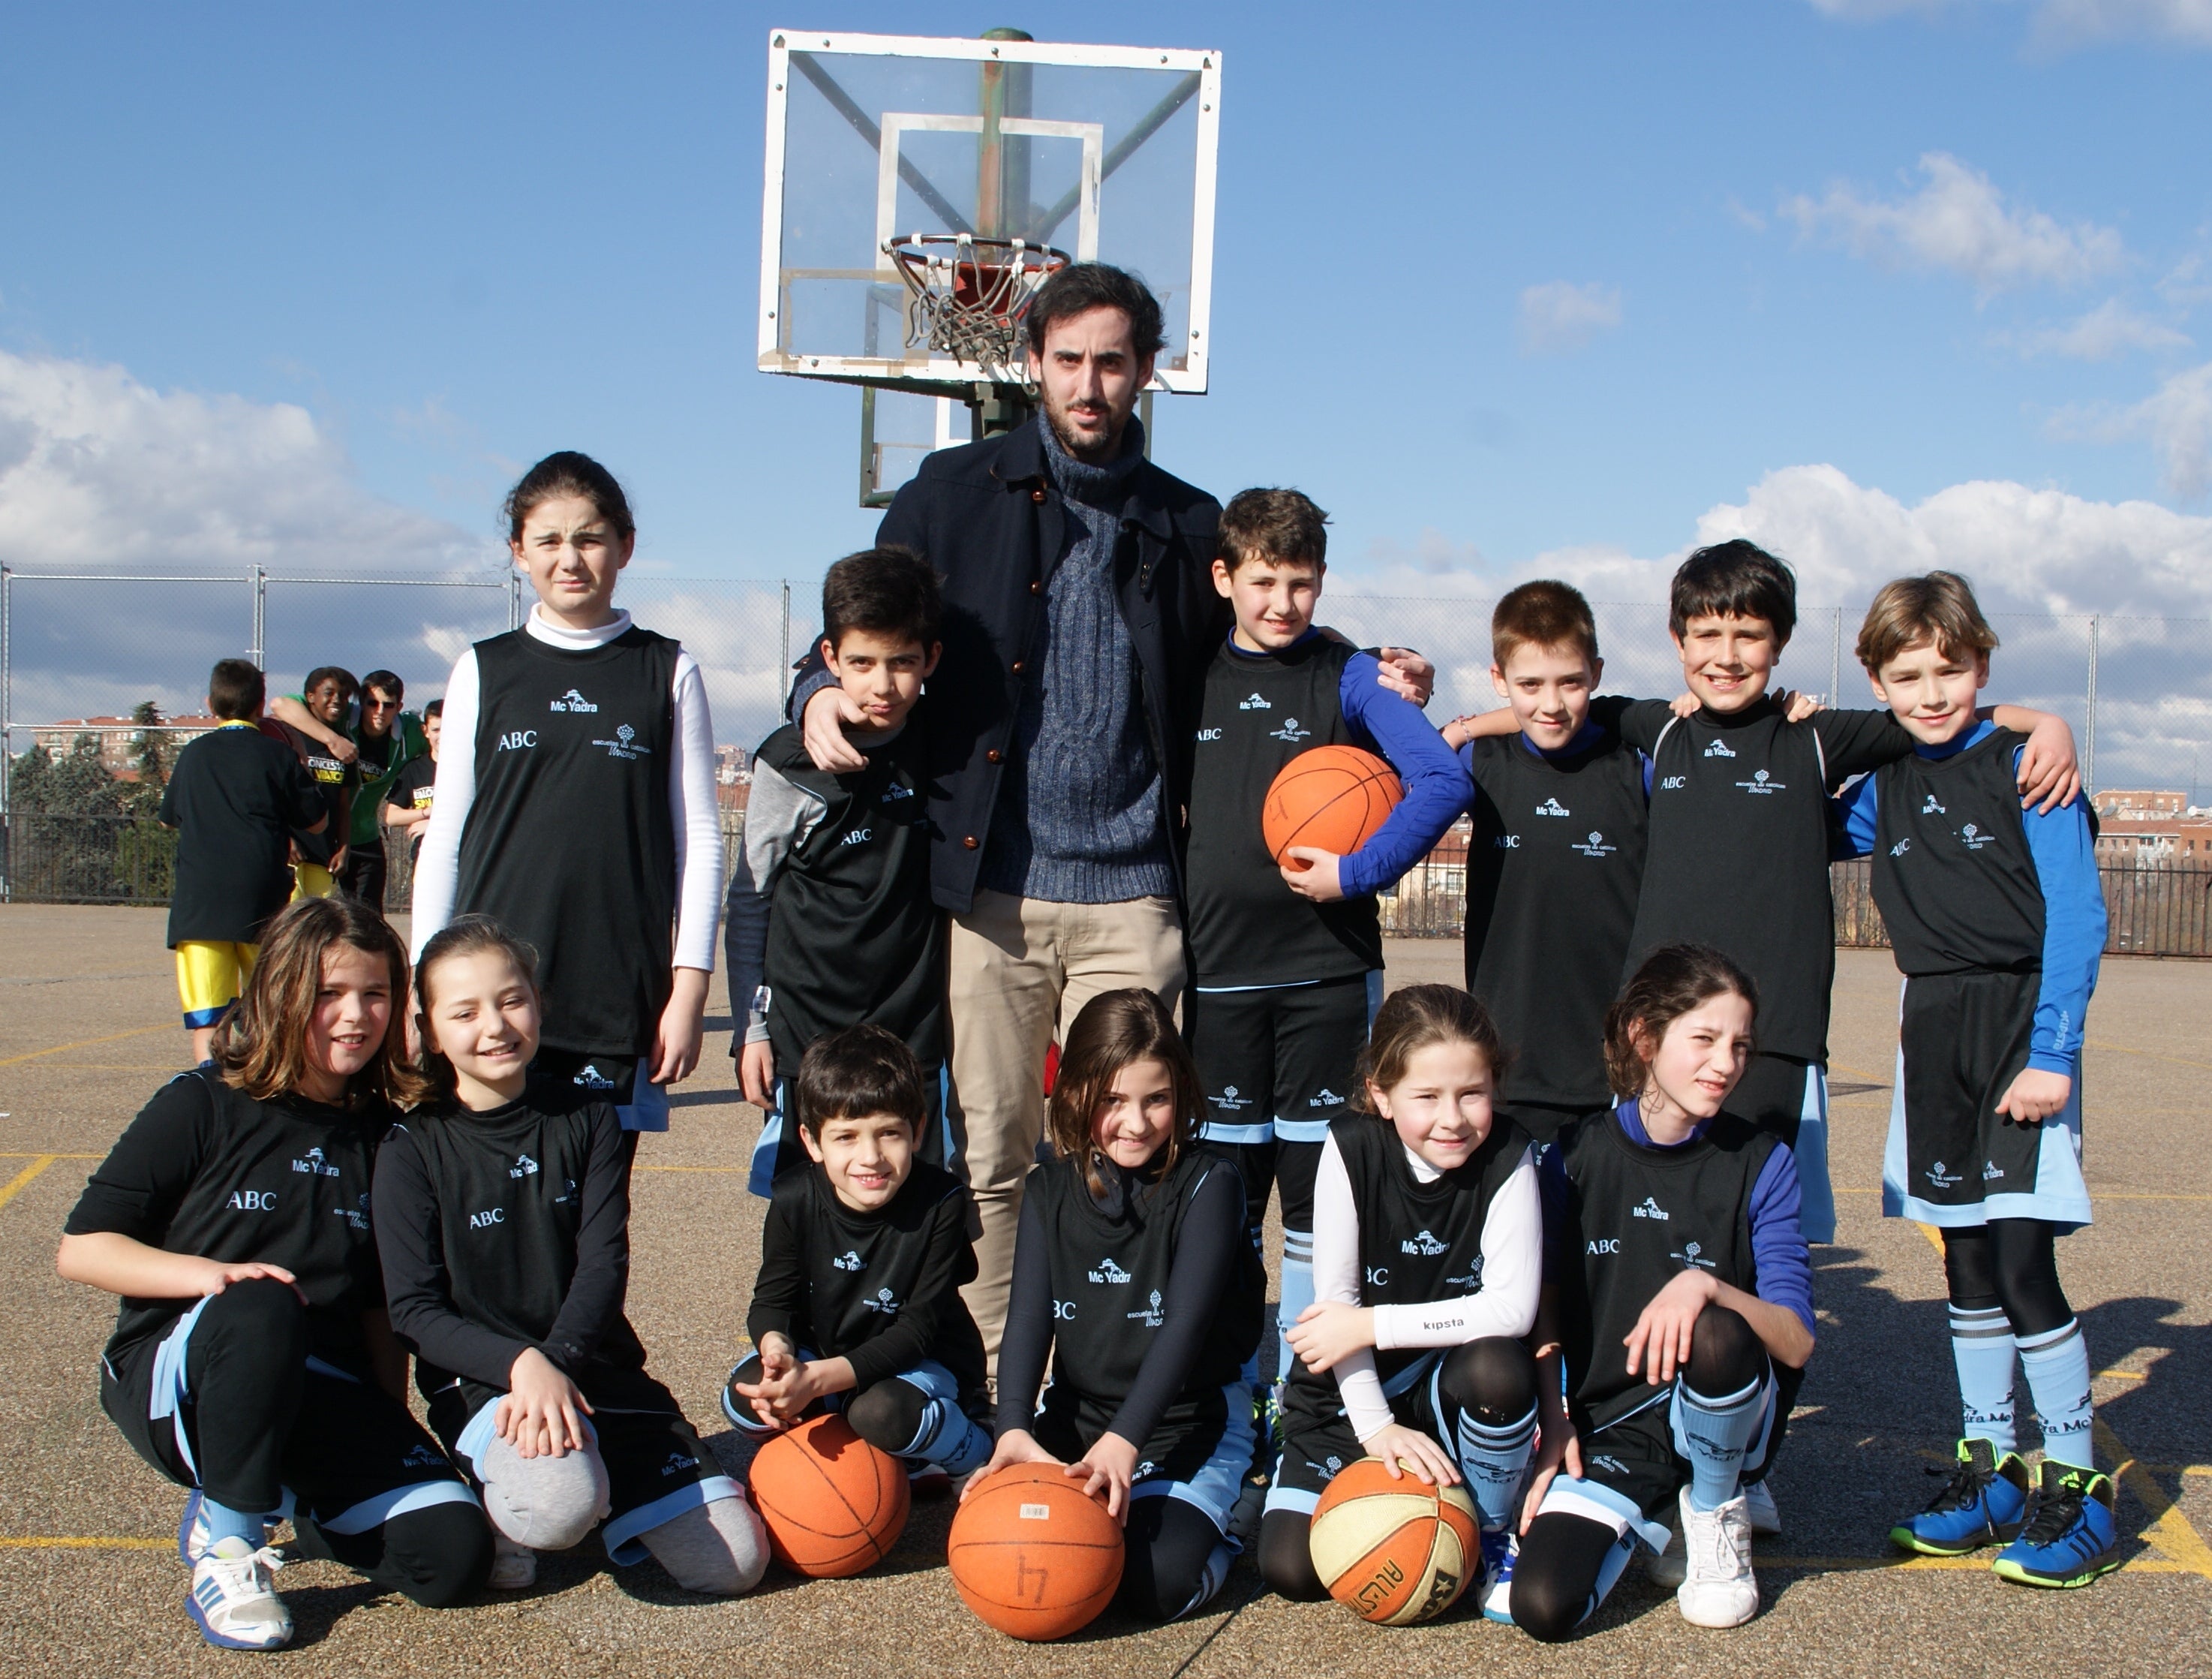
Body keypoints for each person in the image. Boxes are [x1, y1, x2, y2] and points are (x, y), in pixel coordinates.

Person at [789, 263, 1429, 1369]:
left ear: (1147, 371)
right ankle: (997, 1378)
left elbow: (1261, 642)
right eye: (1069, 360)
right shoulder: (949, 493)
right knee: (991, 1152)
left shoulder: (1186, 521)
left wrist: (1366, 665)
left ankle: (1103, 1370)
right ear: (1032, 362)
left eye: (1114, 362)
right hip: (993, 892)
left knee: (1121, 1148)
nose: (1090, 384)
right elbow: (862, 619)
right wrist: (813, 689)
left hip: (1134, 894)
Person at [1456, 542, 2078, 1255]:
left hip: (1774, 1036)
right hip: (1661, 1031)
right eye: (1707, 635)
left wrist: (2045, 723)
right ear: (1678, 641)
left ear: (1780, 644)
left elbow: (1931, 709)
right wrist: (1465, 727)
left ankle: (1767, 1331)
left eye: (1749, 635)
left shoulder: (1812, 736)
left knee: (1761, 1228)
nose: (1726, 656)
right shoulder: (1661, 726)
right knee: (1652, 1221)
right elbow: (1553, 709)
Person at [56, 897, 488, 1652]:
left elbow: (379, 1304)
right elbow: (83, 1248)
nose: (355, 1014)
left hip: (319, 1383)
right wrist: (213, 1275)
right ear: (282, 992)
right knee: (261, 1301)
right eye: (329, 992)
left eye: (375, 992)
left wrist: (385, 1420)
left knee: (452, 1557)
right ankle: (229, 1539)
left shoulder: (388, 1134)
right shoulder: (204, 1102)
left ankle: (294, 1497)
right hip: (187, 1376)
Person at [1833, 573, 2115, 1587]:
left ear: (1981, 666)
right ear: (1877, 682)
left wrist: (2053, 1054)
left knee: (2023, 1263)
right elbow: (1788, 821)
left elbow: (2077, 916)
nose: (1931, 692)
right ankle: (1991, 1467)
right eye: (1907, 675)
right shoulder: (1883, 784)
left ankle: (2078, 1487)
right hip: (1933, 1029)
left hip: (2017, 1029)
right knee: (1962, 1263)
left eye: (1948, 670)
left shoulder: (2027, 768)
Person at [374, 916, 768, 1595]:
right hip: (490, 1382)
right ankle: (498, 1491)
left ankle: (608, 1486)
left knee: (735, 1563)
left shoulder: (587, 1117)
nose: (495, 1026)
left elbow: (603, 1265)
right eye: (464, 1012)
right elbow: (413, 1311)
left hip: (592, 1365)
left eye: (511, 1000)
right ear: (429, 1031)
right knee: (557, 1506)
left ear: (538, 1001)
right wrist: (522, 1365)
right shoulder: (410, 1147)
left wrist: (556, 1360)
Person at [1183, 487, 1468, 1413]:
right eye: (1262, 581)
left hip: (1325, 976)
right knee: (1222, 1207)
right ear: (1223, 577)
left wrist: (1358, 870)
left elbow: (1440, 778)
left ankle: (1299, 1400)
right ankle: (1230, 1391)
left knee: (1316, 1206)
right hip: (1215, 978)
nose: (1281, 602)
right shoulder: (1186, 669)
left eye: (1300, 582)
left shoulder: (1348, 676)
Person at [410, 452, 723, 1139]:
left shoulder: (667, 670)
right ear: (519, 551)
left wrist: (689, 989)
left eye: (589, 538)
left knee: (595, 1199)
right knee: (482, 1191)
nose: (570, 558)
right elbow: (446, 837)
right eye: (549, 540)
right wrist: (422, 982)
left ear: (625, 546)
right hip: (488, 999)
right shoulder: (482, 669)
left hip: (614, 999)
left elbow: (699, 842)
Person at [1512, 945, 1814, 1638]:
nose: (1726, 1062)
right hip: (1613, 1424)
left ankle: (1716, 1509)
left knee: (1718, 1328)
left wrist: (1708, 1285)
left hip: (1725, 1401)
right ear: (1644, 1037)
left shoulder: (1763, 1162)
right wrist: (1556, 1417)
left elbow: (1797, 1340)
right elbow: (1542, 1304)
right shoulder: (1572, 1156)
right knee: (1544, 1607)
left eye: (1739, 1045)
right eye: (1704, 1038)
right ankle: (1656, 1508)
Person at [972, 988, 1265, 1622]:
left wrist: (1125, 1439)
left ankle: (1238, 1511)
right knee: (1017, 1562)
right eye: (1112, 1099)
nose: (1136, 1122)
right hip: (1079, 1417)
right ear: (1075, 1092)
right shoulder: (1048, 1187)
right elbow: (1029, 1318)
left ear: (1181, 1091)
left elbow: (1184, 1326)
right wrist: (1014, 1425)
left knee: (1150, 1585)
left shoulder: (1210, 1184)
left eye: (1156, 1098)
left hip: (1188, 1419)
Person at [1256, 985, 1541, 1624]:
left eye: (1472, 1092)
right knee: (1293, 1569)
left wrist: (1371, 1324)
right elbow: (1336, 1313)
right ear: (1381, 1094)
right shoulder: (1350, 1146)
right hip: (1350, 1392)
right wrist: (1376, 1428)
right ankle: (1273, 1473)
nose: (1453, 1118)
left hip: (1446, 1385)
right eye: (1427, 1096)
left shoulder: (1511, 1154)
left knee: (1499, 1366)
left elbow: (1512, 1310)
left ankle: (1493, 1527)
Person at [725, 549, 948, 1196]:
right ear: (829, 658)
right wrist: (751, 1029)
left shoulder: (943, 746)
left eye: (902, 662)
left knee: (915, 1208)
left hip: (912, 1033)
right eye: (862, 663)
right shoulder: (789, 762)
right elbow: (751, 900)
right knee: (809, 1208)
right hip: (806, 1033)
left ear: (931, 659)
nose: (883, 685)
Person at [723, 1024, 993, 1494]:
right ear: (811, 1141)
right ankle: (845, 1461)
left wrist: (817, 1381)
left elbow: (917, 1331)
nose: (870, 1157)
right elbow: (772, 1300)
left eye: (889, 1133)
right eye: (845, 1137)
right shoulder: (793, 1197)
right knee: (744, 1398)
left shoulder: (941, 1202)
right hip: (824, 1354)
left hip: (919, 1360)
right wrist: (777, 1351)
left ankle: (972, 1449)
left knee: (881, 1413)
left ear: (917, 1131)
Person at [1443, 582, 1648, 1144]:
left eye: (1570, 682)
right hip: (1509, 1062)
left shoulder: (1638, 768)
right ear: (1499, 679)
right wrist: (1459, 729)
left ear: (1597, 674)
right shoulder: (1474, 763)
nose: (1551, 704)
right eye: (1530, 684)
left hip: (1617, 1066)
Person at [158, 658, 328, 1063]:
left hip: (200, 904)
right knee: (268, 1012)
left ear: (210, 704)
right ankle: (266, 1085)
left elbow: (168, 820)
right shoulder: (276, 754)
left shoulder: (194, 754)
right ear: (260, 705)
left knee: (208, 1020)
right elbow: (318, 822)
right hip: (261, 898)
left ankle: (211, 1089)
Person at [269, 666, 360, 901]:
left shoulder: (345, 747)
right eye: (329, 693)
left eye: (343, 695)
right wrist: (286, 840)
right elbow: (273, 797)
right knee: (289, 918)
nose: (337, 700)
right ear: (310, 696)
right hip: (292, 854)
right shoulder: (289, 737)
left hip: (324, 855)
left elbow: (343, 805)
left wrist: (344, 849)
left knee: (318, 921)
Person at [383, 698, 442, 866]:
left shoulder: (469, 767)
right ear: (425, 731)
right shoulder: (414, 769)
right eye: (436, 730)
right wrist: (426, 812)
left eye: (448, 729)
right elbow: (391, 817)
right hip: (425, 855)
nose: (442, 736)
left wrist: (435, 824)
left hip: (464, 851)